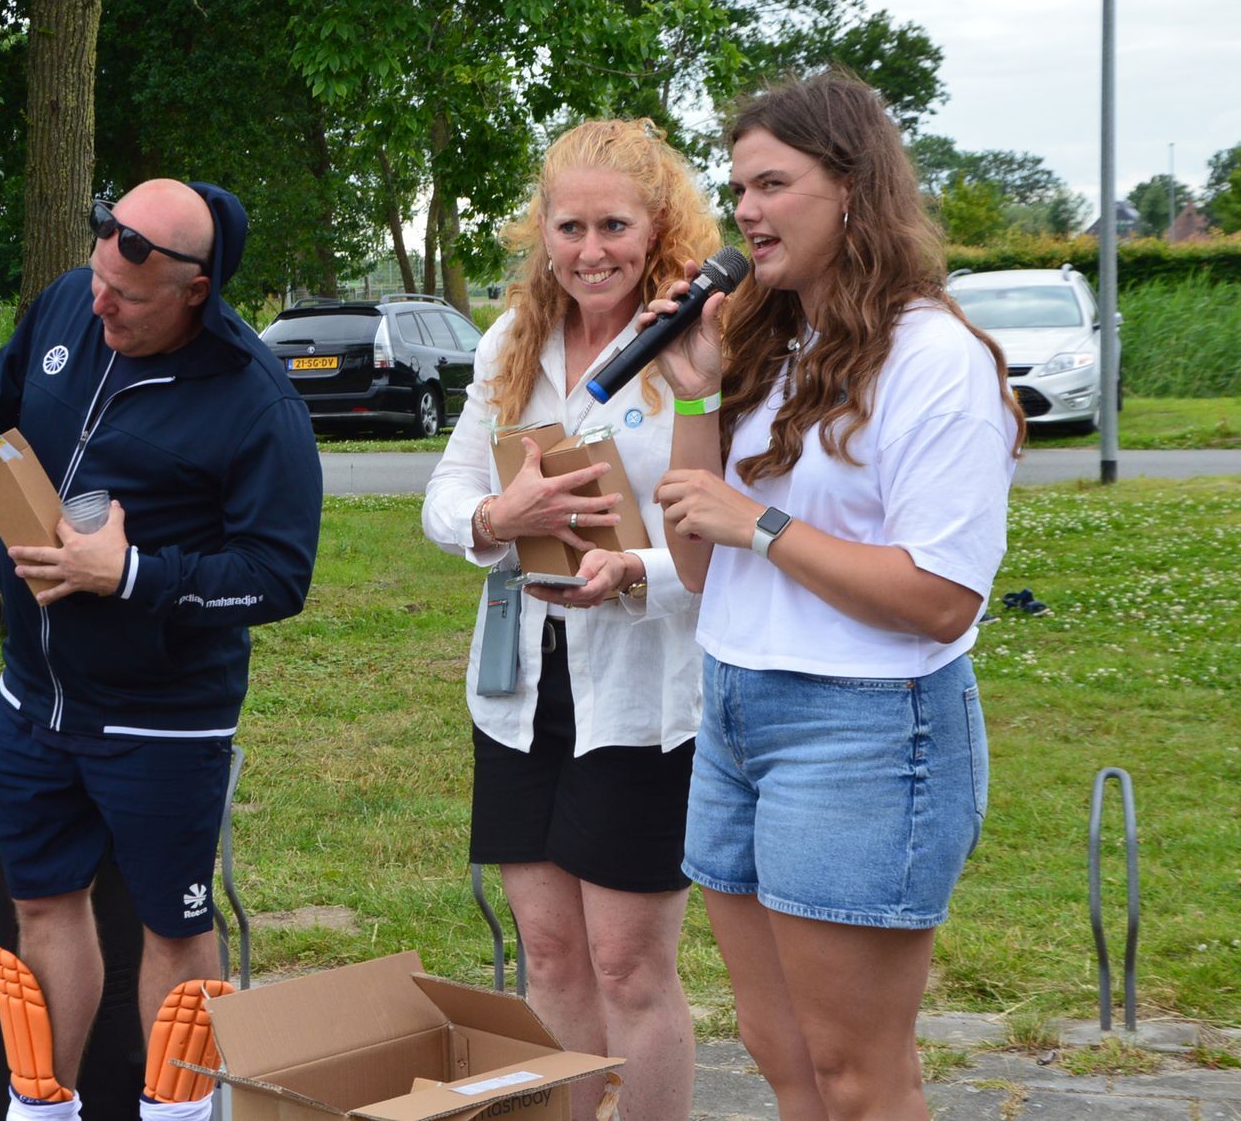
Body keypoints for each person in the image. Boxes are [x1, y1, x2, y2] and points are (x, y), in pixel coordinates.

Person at [0, 180, 322, 1121]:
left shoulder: (256, 400)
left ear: (195, 290)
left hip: (163, 715)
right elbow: (1, 398)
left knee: (174, 923)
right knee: (43, 903)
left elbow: (278, 576)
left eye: (125, 298)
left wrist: (130, 574)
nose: (99, 307)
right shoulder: (70, 300)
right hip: (33, 694)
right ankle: (44, 1110)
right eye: (95, 282)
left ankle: (176, 1114)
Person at [650, 72, 1024, 1120]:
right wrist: (695, 394)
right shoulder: (771, 347)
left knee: (857, 1074)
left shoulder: (934, 358)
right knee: (782, 1056)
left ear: (854, 187)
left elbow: (942, 597)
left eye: (773, 184)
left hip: (863, 727)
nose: (747, 212)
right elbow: (698, 565)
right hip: (735, 709)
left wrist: (760, 523)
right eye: (739, 189)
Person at [422, 119, 718, 1120]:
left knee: (628, 963)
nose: (592, 250)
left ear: (659, 226)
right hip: (520, 693)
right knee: (549, 954)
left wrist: (631, 571)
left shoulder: (697, 346)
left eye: (614, 226)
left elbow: (724, 537)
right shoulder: (513, 340)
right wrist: (497, 518)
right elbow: (445, 495)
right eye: (571, 226)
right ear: (540, 231)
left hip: (645, 696)